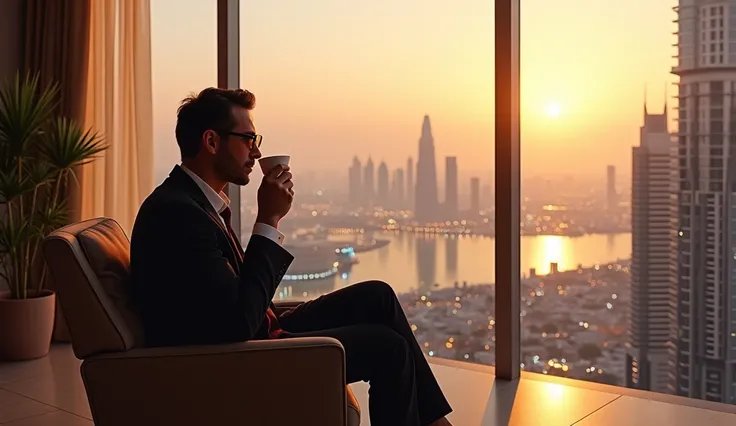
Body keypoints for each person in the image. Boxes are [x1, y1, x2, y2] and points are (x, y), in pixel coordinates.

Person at [130, 87, 453, 426]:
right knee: (388, 349)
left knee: (379, 296)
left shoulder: (192, 203)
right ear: (211, 142)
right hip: (238, 359)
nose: (256, 152)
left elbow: (236, 302)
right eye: (248, 139)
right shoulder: (178, 215)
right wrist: (269, 219)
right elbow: (237, 323)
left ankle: (434, 422)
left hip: (256, 331)